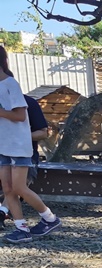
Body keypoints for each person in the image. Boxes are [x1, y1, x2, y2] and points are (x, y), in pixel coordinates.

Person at [0, 46, 61, 243]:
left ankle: (50, 218)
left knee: (19, 188)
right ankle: (22, 228)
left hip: (19, 146)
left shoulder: (10, 84)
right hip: (4, 146)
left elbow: (19, 115)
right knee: (8, 189)